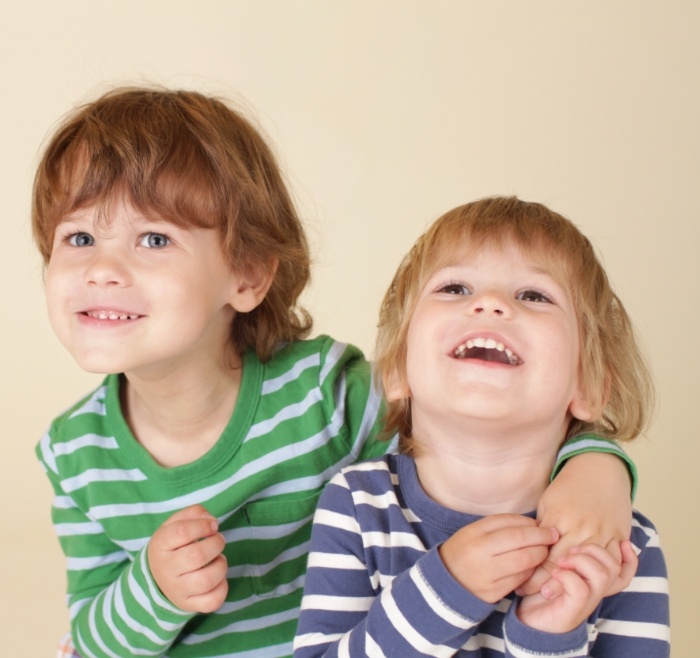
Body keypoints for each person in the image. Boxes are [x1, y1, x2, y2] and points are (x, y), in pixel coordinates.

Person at [32, 89, 638, 658]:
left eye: (154, 239)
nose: (102, 268)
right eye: (79, 236)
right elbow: (90, 638)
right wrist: (153, 590)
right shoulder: (73, 451)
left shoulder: (323, 392)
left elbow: (471, 422)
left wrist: (596, 470)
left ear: (246, 277)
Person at [293, 197, 670, 657]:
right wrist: (445, 588)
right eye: (454, 287)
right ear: (396, 370)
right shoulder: (356, 505)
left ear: (589, 384)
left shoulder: (622, 546)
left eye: (533, 295)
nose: (490, 303)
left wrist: (546, 635)